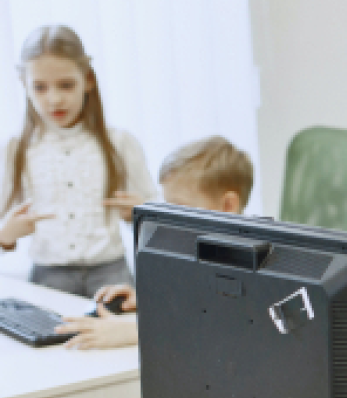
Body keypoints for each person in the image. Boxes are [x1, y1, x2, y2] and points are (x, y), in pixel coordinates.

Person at [0, 25, 156, 297]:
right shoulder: (17, 149)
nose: (55, 99)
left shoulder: (120, 142)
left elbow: (158, 221)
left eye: (66, 85)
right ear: (24, 84)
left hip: (112, 275)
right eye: (40, 87)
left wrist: (140, 213)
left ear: (88, 80)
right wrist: (6, 235)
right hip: (48, 277)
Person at [54, 136, 253, 349]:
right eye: (167, 206)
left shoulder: (246, 260)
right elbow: (194, 304)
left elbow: (222, 324)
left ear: (228, 205)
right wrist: (147, 301)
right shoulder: (193, 248)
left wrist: (135, 331)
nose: (170, 218)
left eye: (180, 207)